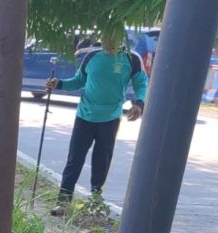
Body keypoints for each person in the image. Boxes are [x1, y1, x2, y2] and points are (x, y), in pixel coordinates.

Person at [46, 32, 148, 216]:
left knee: (102, 160)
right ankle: (63, 201)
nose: (109, 41)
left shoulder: (131, 59)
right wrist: (58, 84)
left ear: (121, 39)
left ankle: (95, 200)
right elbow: (78, 81)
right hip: (85, 115)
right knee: (74, 159)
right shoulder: (92, 57)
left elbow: (141, 82)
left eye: (113, 37)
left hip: (110, 117)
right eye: (106, 37)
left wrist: (139, 103)